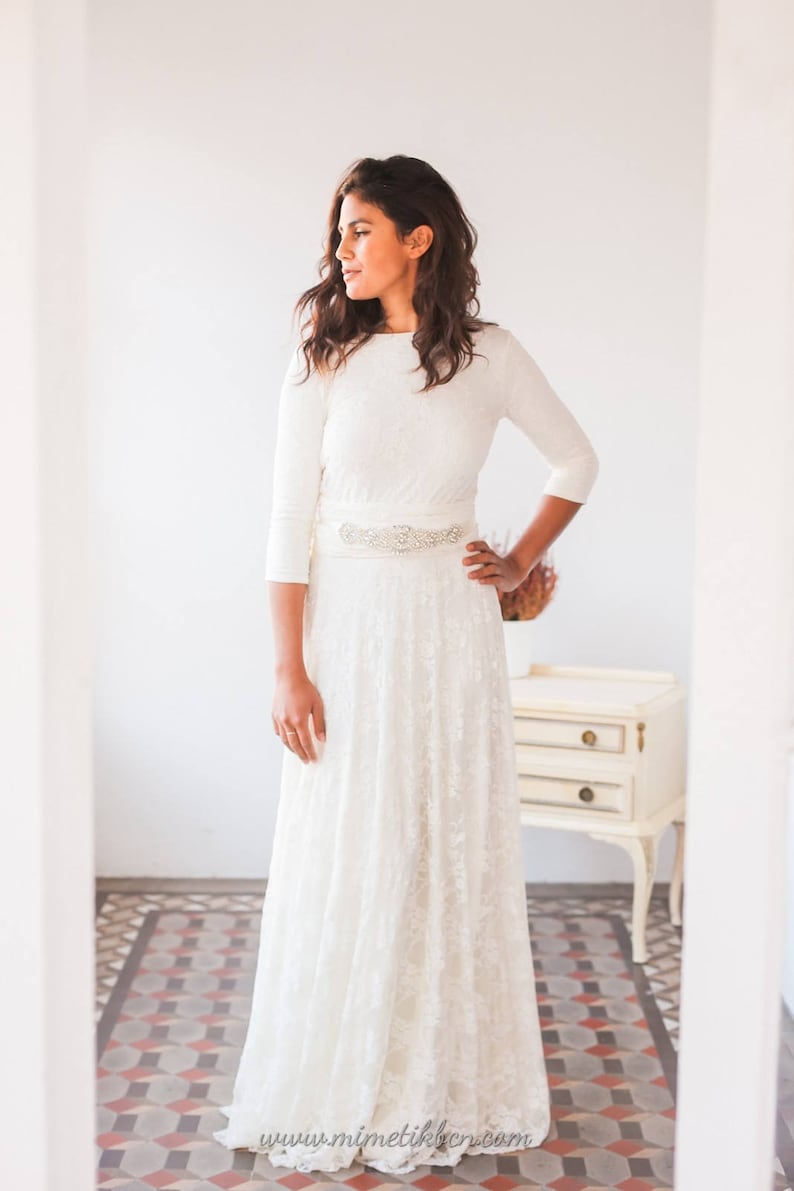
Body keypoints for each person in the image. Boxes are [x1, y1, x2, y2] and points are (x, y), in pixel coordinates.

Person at [213, 153, 599, 1175]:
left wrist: (518, 559)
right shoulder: (321, 359)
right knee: (349, 838)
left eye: (359, 230)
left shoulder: (489, 355)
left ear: (416, 239)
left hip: (446, 624)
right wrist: (287, 669)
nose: (340, 249)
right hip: (344, 625)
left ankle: (435, 1074)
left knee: (439, 838)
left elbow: (576, 460)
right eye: (337, 232)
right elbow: (286, 520)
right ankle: (340, 1074)